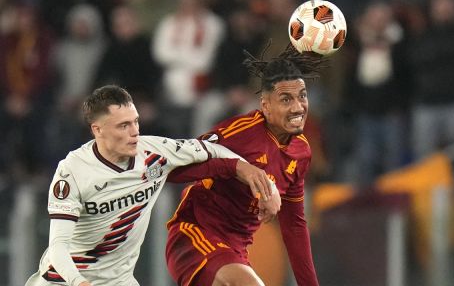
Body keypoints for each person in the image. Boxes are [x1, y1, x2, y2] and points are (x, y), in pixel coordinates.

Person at [25, 85, 280, 286]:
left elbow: (210, 150)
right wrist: (80, 282)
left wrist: (253, 174)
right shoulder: (72, 172)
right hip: (63, 282)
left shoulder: (153, 152)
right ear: (98, 130)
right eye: (123, 126)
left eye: (135, 121)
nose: (134, 131)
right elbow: (58, 246)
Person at [165, 44, 322, 285]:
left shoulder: (301, 152)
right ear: (265, 105)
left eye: (302, 96)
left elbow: (294, 226)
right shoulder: (239, 133)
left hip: (237, 249)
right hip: (196, 233)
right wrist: (238, 168)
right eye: (286, 99)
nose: (298, 107)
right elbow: (174, 167)